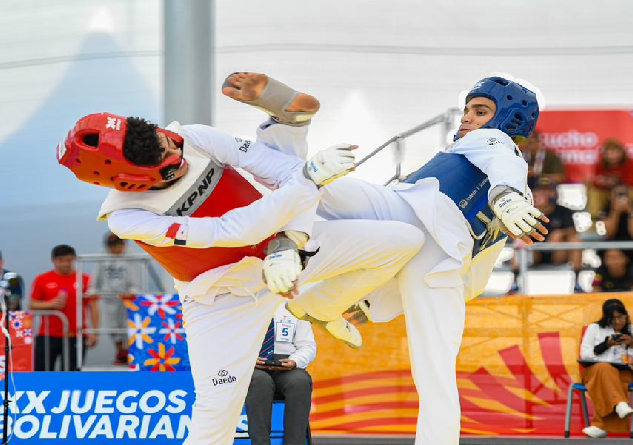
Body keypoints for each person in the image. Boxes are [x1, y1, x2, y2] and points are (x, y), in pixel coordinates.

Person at [58, 72, 426, 444]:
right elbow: (233, 230)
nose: (179, 158)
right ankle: (286, 127)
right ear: (127, 182)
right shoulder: (127, 218)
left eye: (169, 143)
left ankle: (321, 306)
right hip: (222, 301)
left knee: (403, 241)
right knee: (216, 418)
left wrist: (291, 238)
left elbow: (285, 174)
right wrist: (306, 182)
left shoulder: (192, 137)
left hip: (289, 256)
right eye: (167, 166)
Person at [261, 74, 549, 445]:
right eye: (467, 110)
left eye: (480, 111)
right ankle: (282, 129)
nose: (466, 119)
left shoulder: (496, 143)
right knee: (436, 371)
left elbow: (500, 172)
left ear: (507, 122)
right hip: (411, 220)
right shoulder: (491, 168)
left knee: (315, 185)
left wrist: (508, 196)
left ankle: (279, 136)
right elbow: (474, 279)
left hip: (424, 240)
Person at [246, 304, 316, 445]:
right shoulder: (241, 304)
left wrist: (294, 361)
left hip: (285, 364)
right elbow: (227, 343)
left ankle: (295, 442)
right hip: (250, 365)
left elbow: (308, 346)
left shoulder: (296, 306)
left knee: (300, 381)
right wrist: (247, 359)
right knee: (260, 381)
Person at [578, 299, 633, 438]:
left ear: (626, 316)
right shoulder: (594, 328)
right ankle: (619, 403)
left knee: (609, 379)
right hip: (594, 372)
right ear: (605, 318)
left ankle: (600, 426)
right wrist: (605, 346)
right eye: (612, 319)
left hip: (623, 373)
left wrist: (632, 346)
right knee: (604, 367)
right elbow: (585, 355)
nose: (617, 322)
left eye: (620, 317)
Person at [29, 244, 97, 371]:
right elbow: (32, 305)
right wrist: (51, 304)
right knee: (42, 371)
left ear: (74, 259)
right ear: (53, 260)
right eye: (61, 260)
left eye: (69, 260)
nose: (65, 264)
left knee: (72, 373)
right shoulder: (42, 279)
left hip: (76, 334)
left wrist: (94, 331)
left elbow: (93, 306)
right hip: (48, 334)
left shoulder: (85, 279)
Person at [510, 178, 583, 293]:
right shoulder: (527, 211)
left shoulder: (564, 211)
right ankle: (514, 282)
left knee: (576, 240)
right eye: (541, 191)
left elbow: (574, 232)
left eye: (548, 190)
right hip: (535, 253)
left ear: (555, 193)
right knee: (520, 241)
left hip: (558, 253)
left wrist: (561, 233)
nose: (544, 194)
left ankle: (577, 282)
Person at [87, 232, 141, 365]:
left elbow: (137, 280)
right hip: (109, 298)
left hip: (127, 299)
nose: (115, 248)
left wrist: (132, 291)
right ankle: (120, 352)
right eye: (112, 246)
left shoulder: (131, 258)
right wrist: (93, 290)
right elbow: (95, 279)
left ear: (123, 245)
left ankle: (129, 352)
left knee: (128, 326)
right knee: (113, 327)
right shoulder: (102, 257)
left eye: (118, 245)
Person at [586, 139, 633, 218]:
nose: (612, 156)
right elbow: (596, 182)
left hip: (626, 191)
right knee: (594, 192)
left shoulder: (629, 162)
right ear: (604, 154)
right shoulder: (600, 164)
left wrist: (617, 182)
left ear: (621, 153)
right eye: (609, 153)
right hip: (607, 191)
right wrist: (604, 182)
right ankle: (595, 216)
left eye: (615, 152)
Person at [598, 183, 633, 264]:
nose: (620, 197)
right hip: (612, 244)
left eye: (624, 194)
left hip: (632, 246)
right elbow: (609, 234)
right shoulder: (607, 210)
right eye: (617, 194)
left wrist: (630, 211)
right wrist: (615, 212)